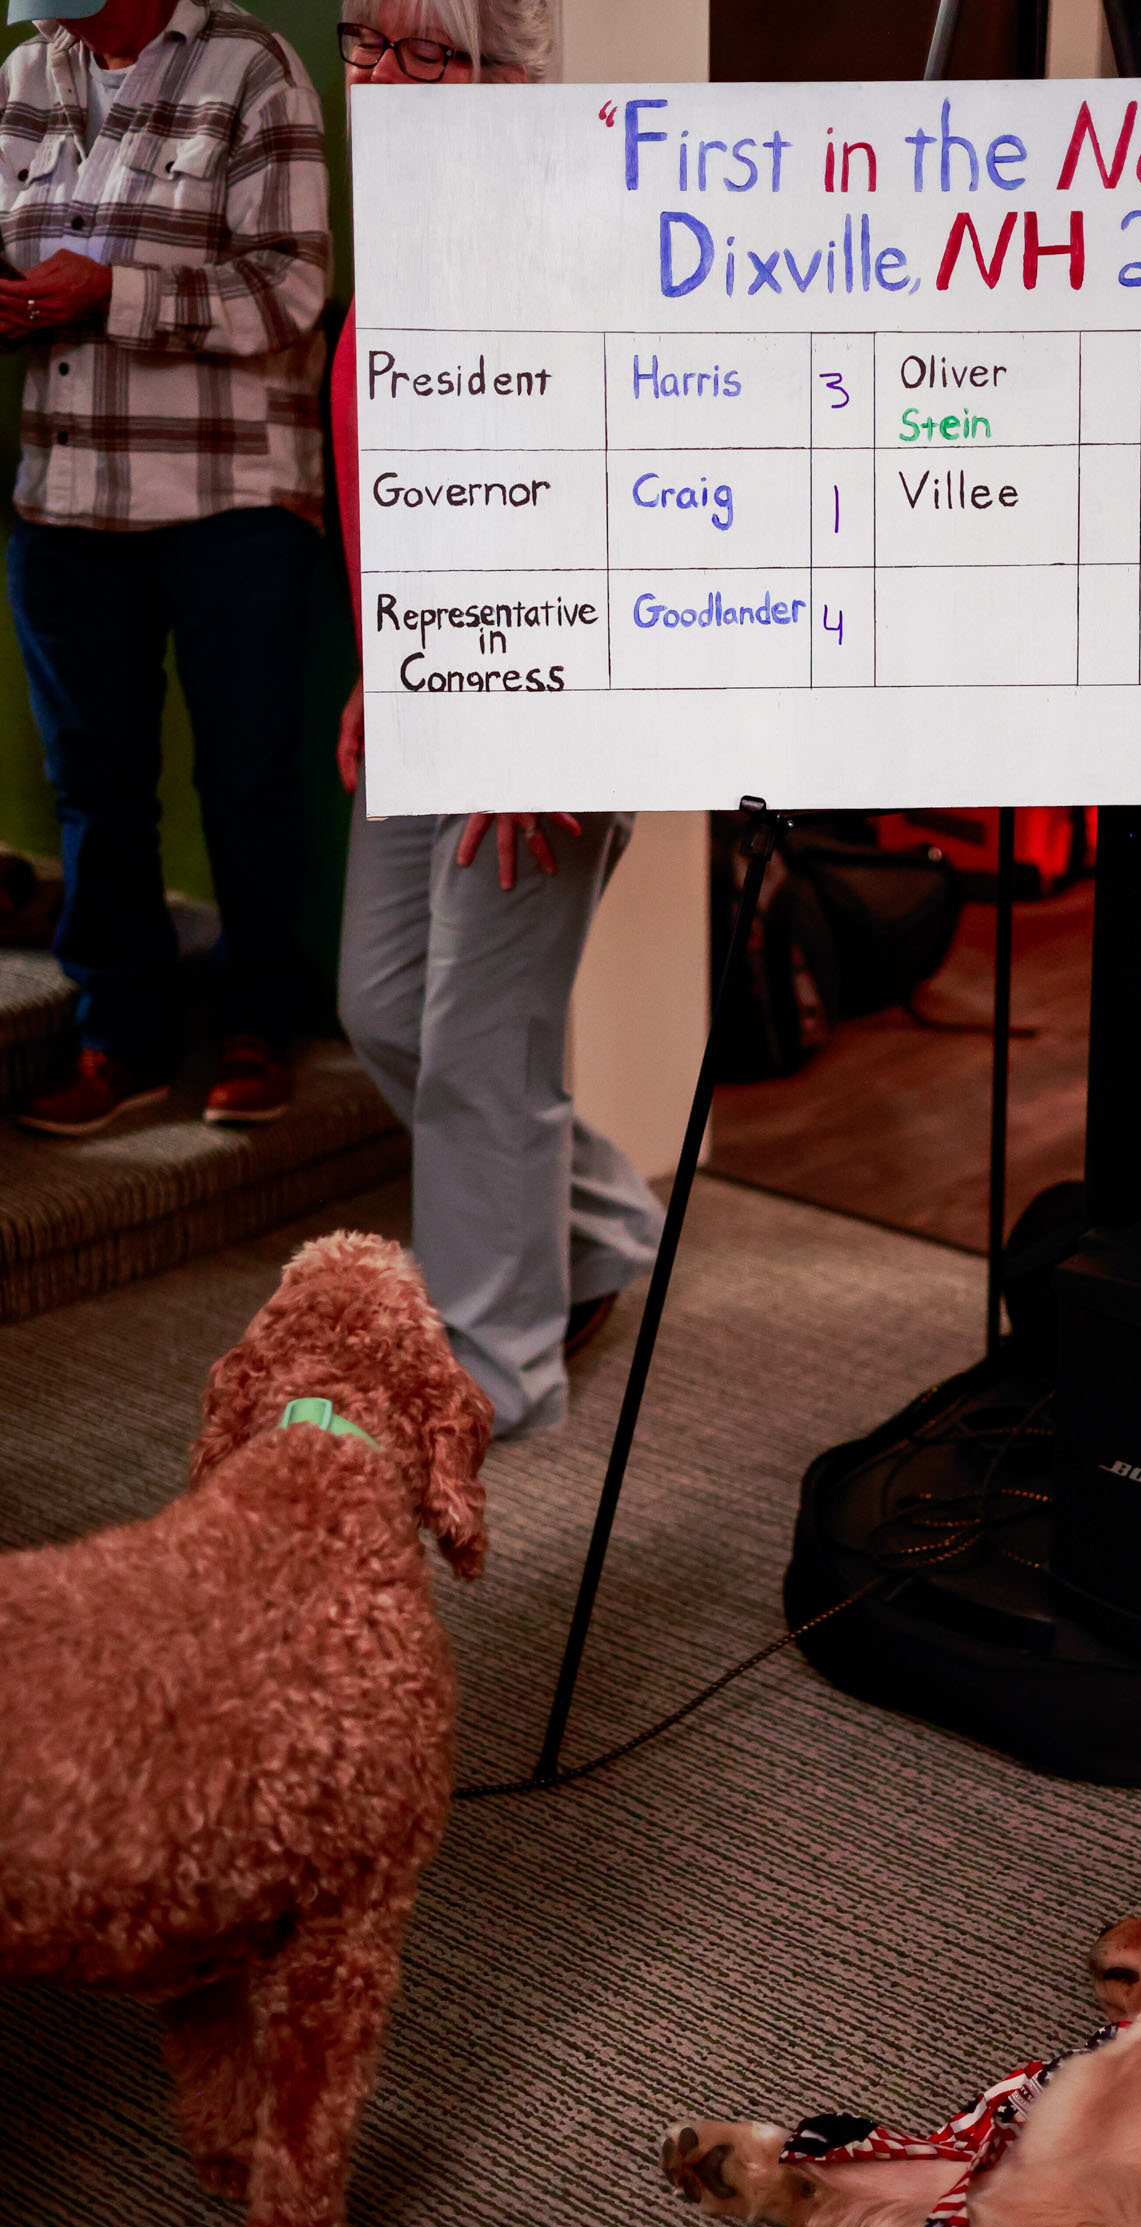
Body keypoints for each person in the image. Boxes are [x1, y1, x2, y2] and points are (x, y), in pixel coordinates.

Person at [331, 0, 664, 1439]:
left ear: (517, 79)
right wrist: (379, 660)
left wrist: (547, 722)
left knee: (480, 1042)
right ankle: (599, 1225)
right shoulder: (399, 229)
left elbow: (631, 500)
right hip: (424, 679)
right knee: (382, 1003)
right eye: (368, 40)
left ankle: (489, 1380)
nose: (391, 78)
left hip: (548, 707)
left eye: (435, 52)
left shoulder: (573, 246)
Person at [0, 0, 331, 1134]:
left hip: (229, 497)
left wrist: (112, 291)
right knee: (93, 787)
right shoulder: (25, 73)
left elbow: (290, 290)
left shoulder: (254, 66)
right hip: (67, 497)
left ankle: (256, 1026)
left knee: (246, 780)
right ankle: (116, 1038)